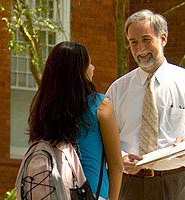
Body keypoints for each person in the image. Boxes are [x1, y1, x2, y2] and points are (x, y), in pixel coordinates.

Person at [106, 9, 185, 200]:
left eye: (146, 39)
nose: (140, 48)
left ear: (163, 39)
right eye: (134, 42)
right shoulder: (118, 90)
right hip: (130, 186)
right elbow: (105, 138)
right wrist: (121, 157)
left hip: (175, 183)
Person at [28, 41, 123, 200]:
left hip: (52, 192)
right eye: (89, 63)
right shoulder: (99, 105)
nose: (93, 68)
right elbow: (116, 165)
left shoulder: (44, 108)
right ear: (79, 70)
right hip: (91, 192)